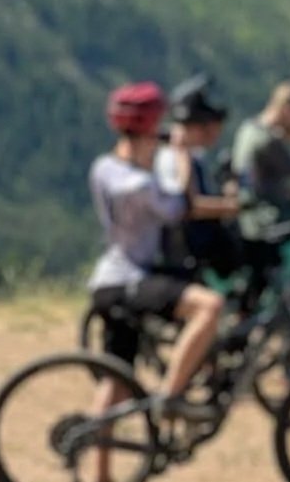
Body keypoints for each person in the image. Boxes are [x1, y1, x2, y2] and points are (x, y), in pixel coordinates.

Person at [87, 82, 227, 481]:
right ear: (150, 125)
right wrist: (182, 157)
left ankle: (101, 476)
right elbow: (180, 206)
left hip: (109, 279)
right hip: (130, 279)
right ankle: (170, 396)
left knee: (115, 382)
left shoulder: (105, 167)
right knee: (209, 305)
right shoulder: (140, 185)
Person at [231, 81, 290, 300]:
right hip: (267, 222)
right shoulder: (267, 140)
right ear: (289, 109)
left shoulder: (248, 129)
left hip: (249, 219)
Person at [155, 74, 242, 278]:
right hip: (189, 251)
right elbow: (186, 206)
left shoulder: (197, 156)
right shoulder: (169, 158)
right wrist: (234, 207)